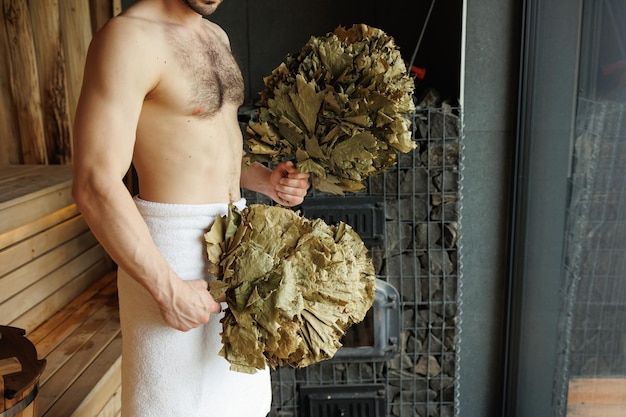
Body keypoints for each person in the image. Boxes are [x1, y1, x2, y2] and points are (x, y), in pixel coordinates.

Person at [71, 0, 311, 416]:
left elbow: (209, 144)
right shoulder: (127, 39)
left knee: (242, 403)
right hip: (171, 249)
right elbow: (95, 183)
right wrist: (167, 288)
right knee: (170, 405)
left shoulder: (216, 36)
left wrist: (263, 180)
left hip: (237, 241)